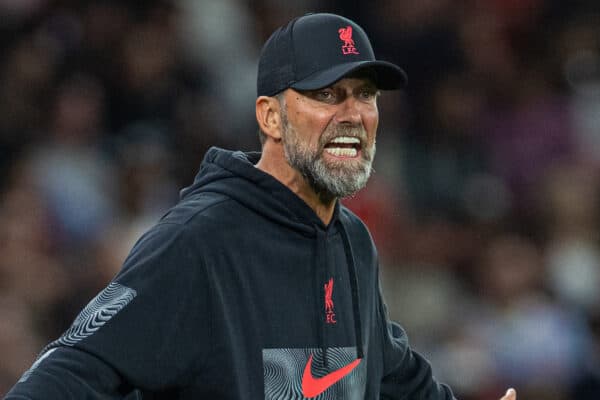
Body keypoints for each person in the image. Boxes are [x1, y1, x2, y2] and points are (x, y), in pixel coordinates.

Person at [4, 13, 517, 400]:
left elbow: (392, 375)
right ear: (271, 117)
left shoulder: (353, 241)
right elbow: (69, 371)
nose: (354, 114)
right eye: (327, 94)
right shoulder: (200, 239)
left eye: (365, 95)